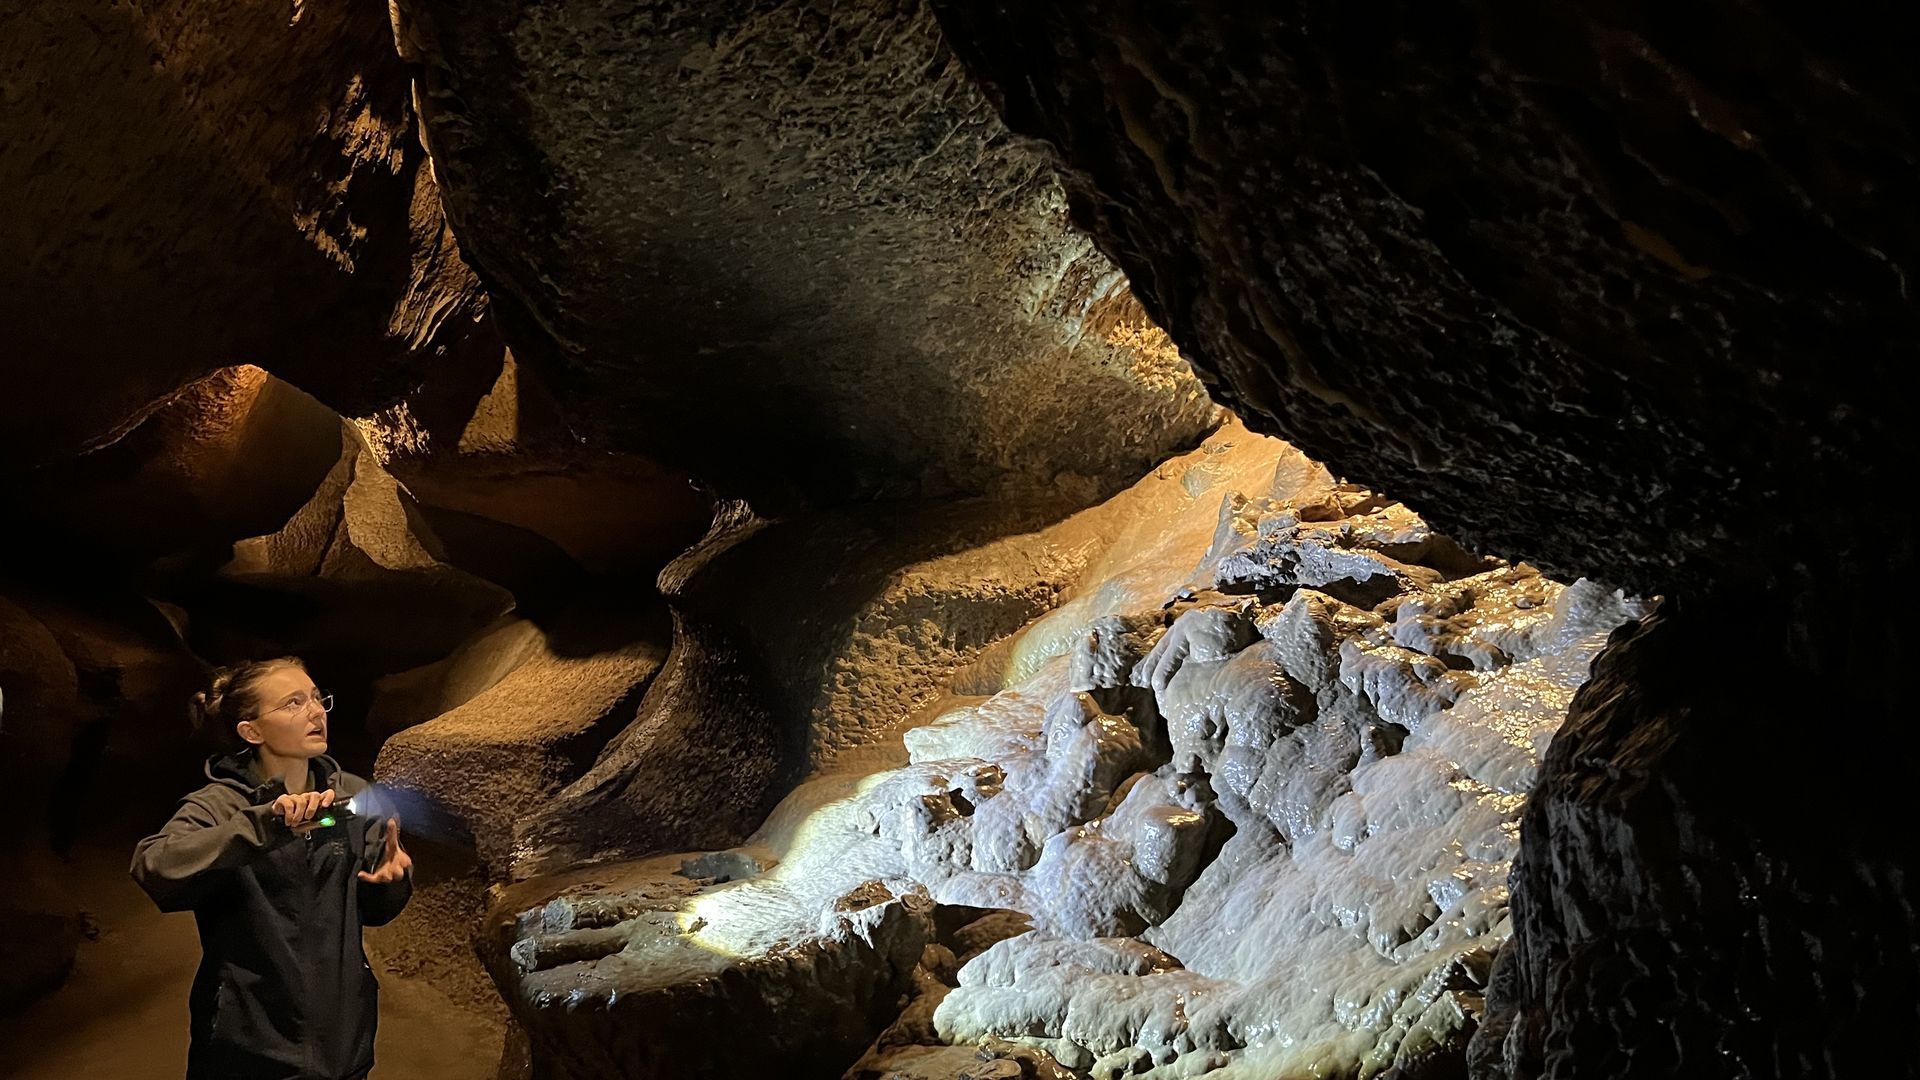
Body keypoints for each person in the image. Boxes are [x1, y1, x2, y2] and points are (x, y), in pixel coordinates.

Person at [131, 657, 413, 1080]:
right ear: (251, 731)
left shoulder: (351, 795)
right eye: (293, 703)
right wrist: (265, 825)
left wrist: (390, 884)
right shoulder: (220, 806)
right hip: (248, 1048)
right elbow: (154, 867)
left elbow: (374, 909)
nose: (316, 712)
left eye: (318, 699)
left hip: (344, 1045)